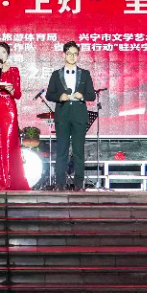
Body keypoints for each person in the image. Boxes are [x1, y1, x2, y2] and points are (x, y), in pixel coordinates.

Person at [45, 41, 96, 191]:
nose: (72, 56)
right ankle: (60, 183)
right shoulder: (56, 74)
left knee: (79, 151)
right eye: (69, 54)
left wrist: (82, 96)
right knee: (62, 150)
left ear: (78, 55)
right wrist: (59, 97)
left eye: (75, 54)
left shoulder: (85, 74)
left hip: (79, 115)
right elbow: (49, 95)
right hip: (63, 115)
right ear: (64, 55)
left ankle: (79, 184)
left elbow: (92, 95)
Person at [0, 42, 31, 191]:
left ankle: (10, 182)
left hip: (8, 108)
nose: (0, 55)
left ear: (8, 54)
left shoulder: (14, 70)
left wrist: (11, 90)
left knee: (8, 144)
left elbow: (18, 94)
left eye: (3, 52)